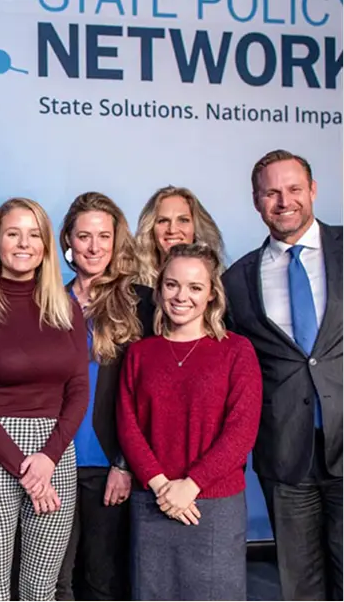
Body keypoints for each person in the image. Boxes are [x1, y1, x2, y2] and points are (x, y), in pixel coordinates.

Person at [223, 149, 343, 601]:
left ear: (312, 191)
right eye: (271, 192)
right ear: (256, 201)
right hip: (284, 456)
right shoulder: (237, 280)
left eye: (293, 189)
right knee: (300, 586)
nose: (283, 201)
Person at [0, 197, 88, 602]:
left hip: (56, 454)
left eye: (34, 235)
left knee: (40, 589)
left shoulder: (67, 308)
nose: (23, 243)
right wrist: (25, 468)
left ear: (47, 246)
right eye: (13, 233)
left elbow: (79, 388)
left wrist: (47, 458)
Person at [117, 243, 262, 601]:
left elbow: (241, 431)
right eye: (172, 285)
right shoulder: (139, 353)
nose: (182, 296)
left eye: (195, 287)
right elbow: (128, 425)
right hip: (152, 501)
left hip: (213, 507)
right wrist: (162, 485)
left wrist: (191, 485)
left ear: (212, 294)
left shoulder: (236, 350)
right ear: (160, 287)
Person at [55, 192, 155, 601]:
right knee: (55, 580)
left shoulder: (143, 303)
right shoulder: (49, 302)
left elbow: (150, 395)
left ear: (117, 243)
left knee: (103, 581)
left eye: (103, 236)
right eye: (83, 236)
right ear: (68, 242)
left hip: (111, 464)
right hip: (54, 461)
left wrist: (125, 463)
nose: (94, 247)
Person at [135, 185, 225, 287]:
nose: (172, 230)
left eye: (183, 220)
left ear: (196, 227)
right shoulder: (131, 289)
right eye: (163, 221)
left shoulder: (224, 283)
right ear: (150, 228)